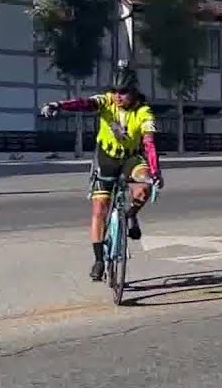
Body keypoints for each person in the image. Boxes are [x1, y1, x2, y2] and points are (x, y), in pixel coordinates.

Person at [41, 62, 162, 281]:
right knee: (99, 209)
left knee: (144, 188)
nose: (117, 96)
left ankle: (131, 214)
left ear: (133, 92)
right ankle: (98, 260)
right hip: (105, 159)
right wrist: (59, 105)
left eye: (123, 92)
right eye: (114, 91)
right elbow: (83, 103)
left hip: (131, 158)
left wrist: (155, 173)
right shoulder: (106, 102)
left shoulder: (144, 112)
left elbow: (149, 143)